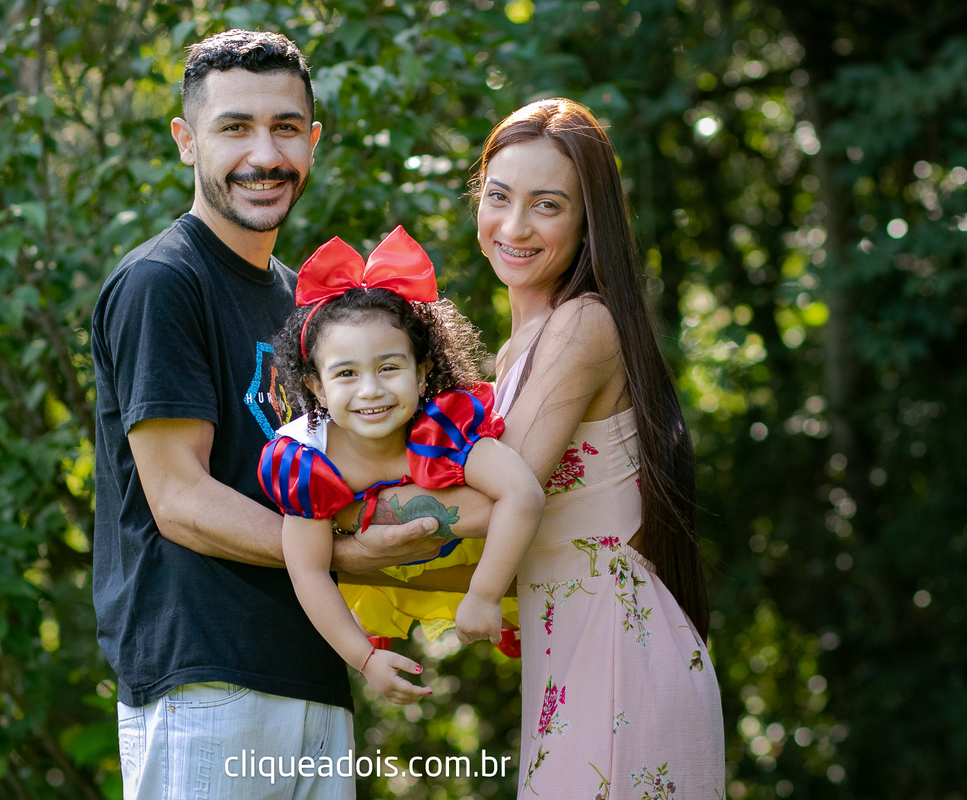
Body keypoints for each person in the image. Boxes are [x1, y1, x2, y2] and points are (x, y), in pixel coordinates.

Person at [89, 30, 453, 800]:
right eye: (235, 128)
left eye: (285, 128)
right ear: (187, 141)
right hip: (204, 679)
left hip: (316, 670)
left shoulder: (306, 306)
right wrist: (345, 555)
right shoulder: (162, 282)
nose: (265, 154)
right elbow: (178, 498)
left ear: (312, 142)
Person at [474, 99, 725, 797]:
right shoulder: (515, 353)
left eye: (547, 205)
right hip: (569, 650)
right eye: (498, 196)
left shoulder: (584, 324)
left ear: (589, 222)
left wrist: (330, 529)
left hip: (615, 649)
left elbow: (497, 499)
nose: (514, 227)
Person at [258, 227, 544, 705]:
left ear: (423, 372)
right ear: (317, 388)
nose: (370, 390)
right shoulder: (305, 463)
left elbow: (523, 493)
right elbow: (308, 572)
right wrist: (365, 660)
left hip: (473, 564)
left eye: (389, 367)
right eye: (346, 374)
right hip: (377, 574)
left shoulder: (444, 429)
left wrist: (485, 593)